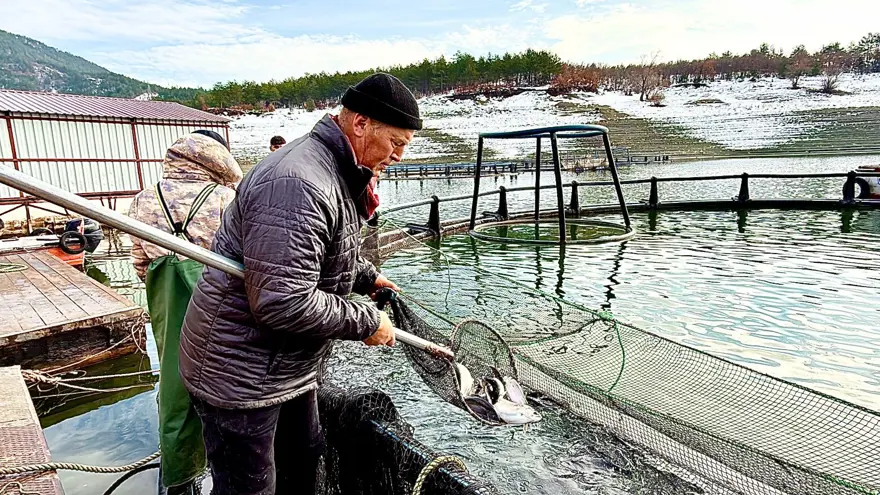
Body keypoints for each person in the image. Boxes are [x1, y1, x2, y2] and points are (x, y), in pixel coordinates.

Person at [178, 72, 422, 494]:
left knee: (304, 459)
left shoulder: (337, 168)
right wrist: (366, 322)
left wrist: (366, 276)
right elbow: (282, 301)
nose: (398, 156)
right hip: (240, 372)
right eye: (396, 143)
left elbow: (325, 244)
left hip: (285, 368)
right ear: (360, 124)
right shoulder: (298, 181)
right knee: (249, 486)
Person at [127, 131, 243, 495]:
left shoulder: (144, 199)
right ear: (218, 159)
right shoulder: (227, 198)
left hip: (169, 308)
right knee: (228, 390)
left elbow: (140, 264)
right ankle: (228, 473)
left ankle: (178, 479)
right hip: (221, 314)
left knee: (174, 393)